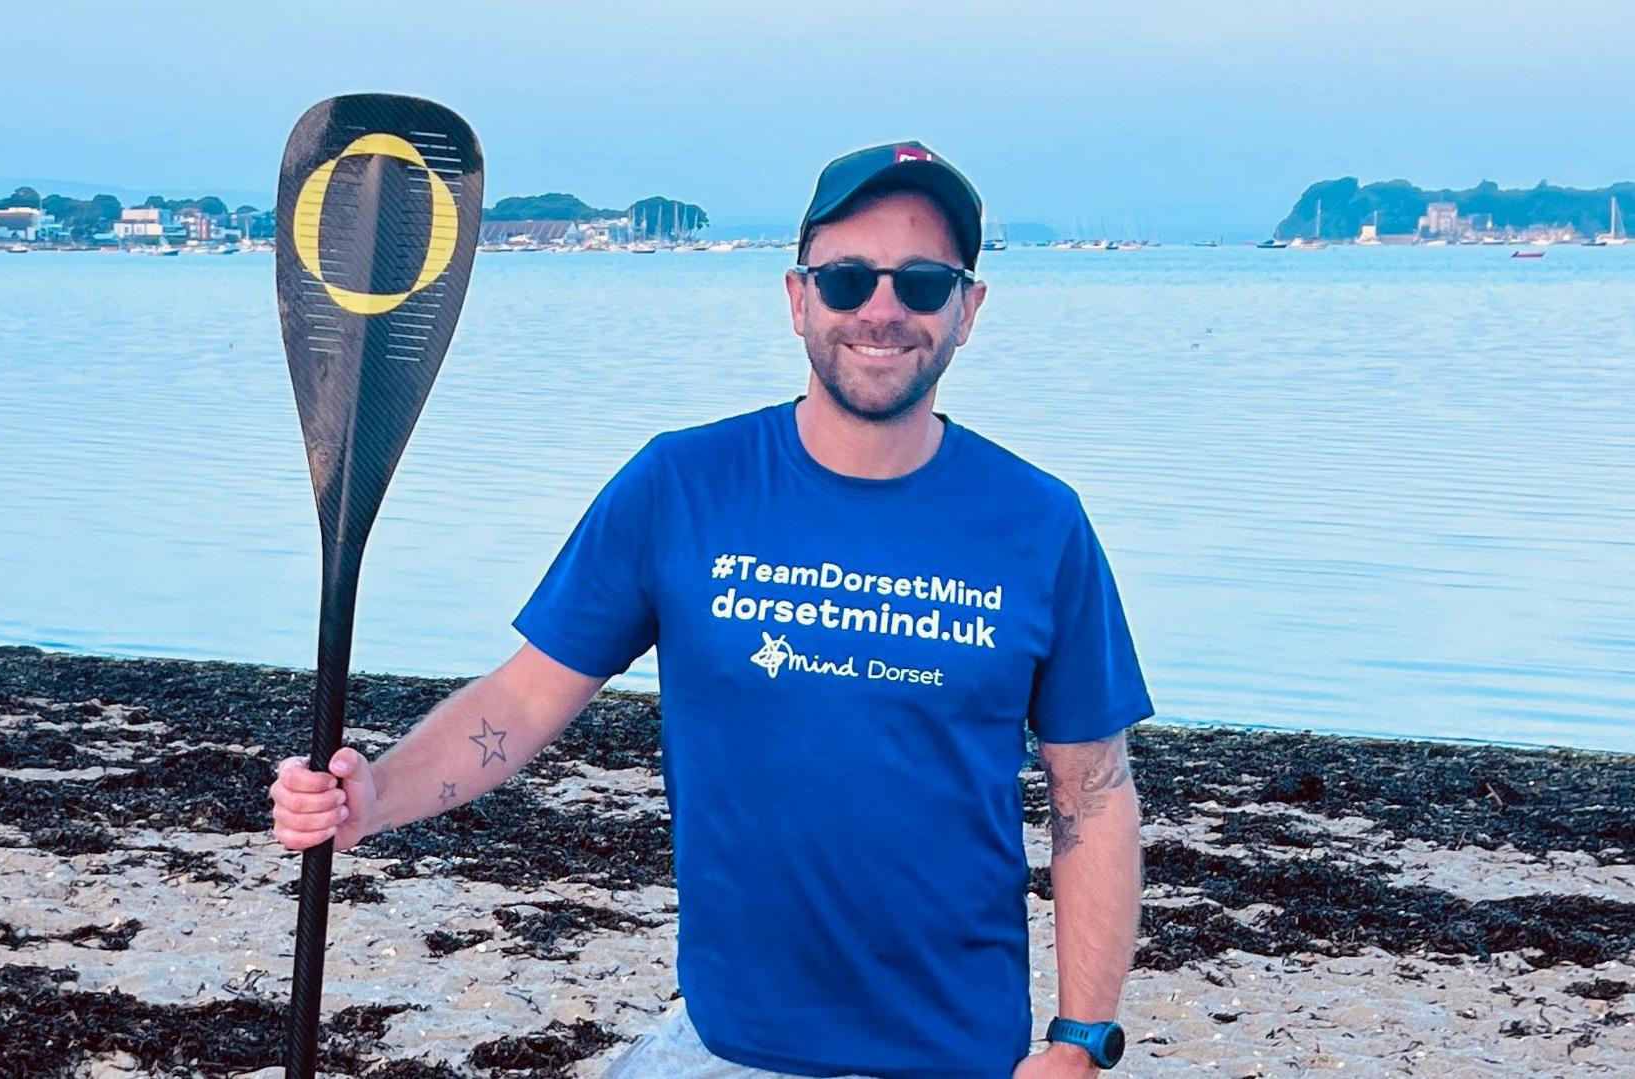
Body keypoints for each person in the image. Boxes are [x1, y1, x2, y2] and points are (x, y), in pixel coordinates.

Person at [269, 140, 1152, 1079]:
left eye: (923, 283)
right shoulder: (681, 486)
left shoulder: (1039, 523)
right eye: (848, 278)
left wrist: (1080, 1037)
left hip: (953, 1056)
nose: (882, 310)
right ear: (798, 297)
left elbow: (1091, 795)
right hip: (723, 1044)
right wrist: (375, 795)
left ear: (968, 309)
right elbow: (525, 699)